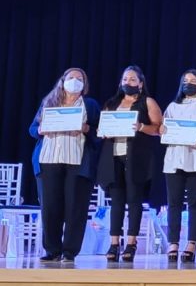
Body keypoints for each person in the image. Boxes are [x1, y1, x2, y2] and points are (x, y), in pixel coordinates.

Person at [31, 68, 101, 263]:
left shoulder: (89, 104)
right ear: (63, 81)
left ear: (84, 84)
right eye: (71, 77)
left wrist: (86, 128)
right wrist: (40, 130)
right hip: (48, 159)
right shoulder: (49, 102)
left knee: (75, 208)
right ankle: (52, 250)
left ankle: (69, 251)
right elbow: (32, 128)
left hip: (77, 162)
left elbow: (100, 132)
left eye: (79, 78)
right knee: (50, 207)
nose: (75, 80)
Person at [97, 65, 163, 264]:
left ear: (141, 84)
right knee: (116, 201)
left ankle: (131, 243)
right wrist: (103, 132)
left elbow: (158, 128)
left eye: (133, 79)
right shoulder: (111, 103)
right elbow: (101, 127)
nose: (128, 82)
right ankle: (114, 243)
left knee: (134, 200)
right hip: (113, 156)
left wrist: (141, 126)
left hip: (137, 157)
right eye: (125, 79)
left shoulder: (147, 102)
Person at [161, 69, 196, 265]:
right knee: (174, 203)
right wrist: (163, 130)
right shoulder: (173, 106)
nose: (188, 84)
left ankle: (192, 243)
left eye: (193, 81)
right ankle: (173, 243)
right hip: (174, 159)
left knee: (195, 203)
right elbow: (165, 128)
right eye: (185, 81)